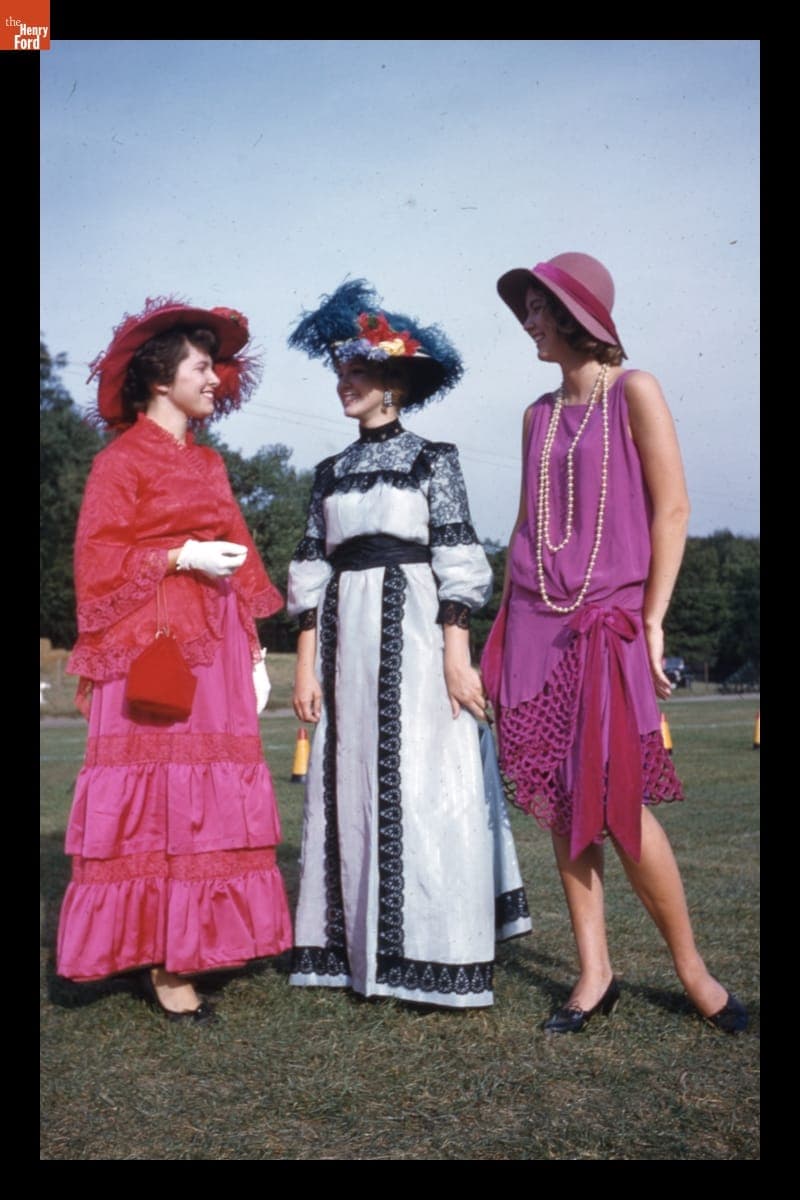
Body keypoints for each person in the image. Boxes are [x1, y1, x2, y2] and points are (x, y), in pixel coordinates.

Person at [485, 253, 747, 1034]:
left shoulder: (636, 390)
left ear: (576, 315)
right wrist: (494, 641)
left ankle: (693, 971)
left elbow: (673, 509)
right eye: (526, 309)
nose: (528, 322)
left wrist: (657, 617)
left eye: (538, 309)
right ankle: (595, 972)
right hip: (536, 619)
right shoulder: (536, 414)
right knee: (564, 804)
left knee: (619, 799)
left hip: (610, 621)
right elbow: (527, 529)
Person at [285, 280, 531, 1009]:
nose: (344, 385)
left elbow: (458, 560)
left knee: (429, 780)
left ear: (392, 382)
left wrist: (458, 654)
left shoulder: (434, 460)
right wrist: (306, 666)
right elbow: (308, 571)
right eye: (340, 374)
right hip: (344, 642)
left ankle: (435, 950)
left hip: (420, 636)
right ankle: (358, 957)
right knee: (353, 783)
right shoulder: (327, 474)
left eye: (357, 374)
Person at [56, 298, 293, 1022]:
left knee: (205, 802)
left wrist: (252, 646)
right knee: (158, 800)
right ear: (161, 379)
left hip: (215, 641)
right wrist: (175, 555)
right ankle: (163, 966)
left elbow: (240, 548)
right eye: (201, 366)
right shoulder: (119, 461)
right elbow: (95, 563)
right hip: (148, 647)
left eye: (215, 367)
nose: (215, 378)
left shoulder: (211, 462)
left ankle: (189, 944)